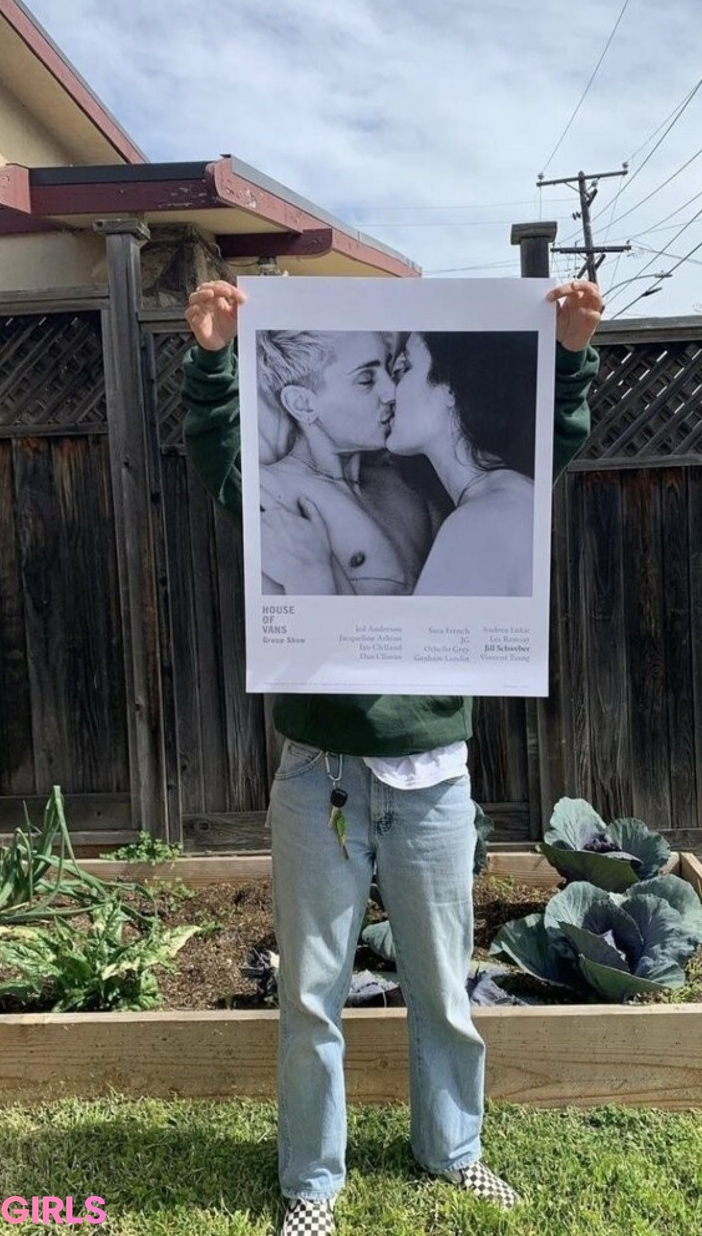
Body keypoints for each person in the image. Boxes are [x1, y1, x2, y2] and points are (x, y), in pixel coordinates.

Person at [181, 276, 602, 1236]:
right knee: (310, 994)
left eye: (394, 370)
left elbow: (545, 451)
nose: (384, 390)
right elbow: (220, 458)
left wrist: (570, 360)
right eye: (369, 372)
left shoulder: (415, 491)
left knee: (445, 987)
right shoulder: (283, 496)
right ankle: (312, 1185)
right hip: (319, 772)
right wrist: (211, 362)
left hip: (434, 775)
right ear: (303, 398)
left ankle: (453, 1151)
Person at [255, 329, 436, 595]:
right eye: (366, 380)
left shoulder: (407, 487)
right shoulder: (267, 493)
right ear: (302, 404)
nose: (392, 392)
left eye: (389, 370)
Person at [385, 328, 537, 595]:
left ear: (450, 388)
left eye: (404, 368)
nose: (388, 392)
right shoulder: (512, 495)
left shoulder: (478, 521)